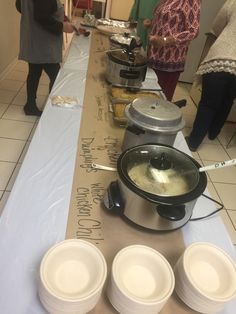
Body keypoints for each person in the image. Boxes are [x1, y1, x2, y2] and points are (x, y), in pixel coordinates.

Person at [187, 0, 236, 152]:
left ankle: (194, 142)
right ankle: (213, 133)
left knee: (208, 103)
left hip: (220, 57)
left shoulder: (233, 2)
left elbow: (216, 28)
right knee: (227, 101)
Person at [15, 0, 74, 116]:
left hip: (34, 37)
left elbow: (19, 6)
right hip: (43, 41)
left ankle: (30, 106)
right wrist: (62, 26)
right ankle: (54, 108)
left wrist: (61, 16)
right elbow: (42, 16)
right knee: (56, 76)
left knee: (34, 71)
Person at [144, 0, 201, 102]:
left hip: (170, 62)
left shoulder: (190, 1)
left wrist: (165, 40)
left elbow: (193, 31)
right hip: (153, 56)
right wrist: (152, 24)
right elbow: (170, 22)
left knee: (160, 102)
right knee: (148, 96)